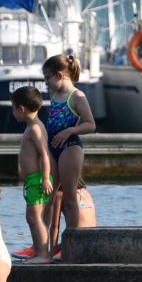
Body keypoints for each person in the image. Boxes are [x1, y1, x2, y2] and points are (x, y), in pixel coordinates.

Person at [40, 54, 95, 253]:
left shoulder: (77, 97)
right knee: (47, 197)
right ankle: (43, 245)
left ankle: (71, 244)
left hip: (70, 147)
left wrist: (70, 130)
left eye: (47, 78)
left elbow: (90, 124)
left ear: (60, 74)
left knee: (70, 198)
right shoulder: (55, 96)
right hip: (53, 148)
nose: (46, 82)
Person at [10, 86, 53, 259]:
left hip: (37, 179)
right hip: (33, 180)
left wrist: (44, 178)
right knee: (33, 218)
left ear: (21, 108)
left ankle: (42, 254)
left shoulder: (35, 128)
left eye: (13, 108)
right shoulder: (33, 126)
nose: (13, 112)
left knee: (34, 218)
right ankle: (37, 249)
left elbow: (44, 154)